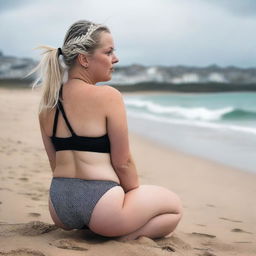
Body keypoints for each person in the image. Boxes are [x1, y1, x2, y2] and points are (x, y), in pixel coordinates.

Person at [31, 20, 182, 240]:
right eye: (109, 52)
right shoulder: (108, 96)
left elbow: (55, 163)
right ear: (83, 59)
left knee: (118, 213)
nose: (115, 58)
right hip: (103, 203)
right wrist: (132, 197)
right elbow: (123, 163)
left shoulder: (47, 104)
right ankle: (114, 236)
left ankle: (97, 226)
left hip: (59, 206)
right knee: (174, 207)